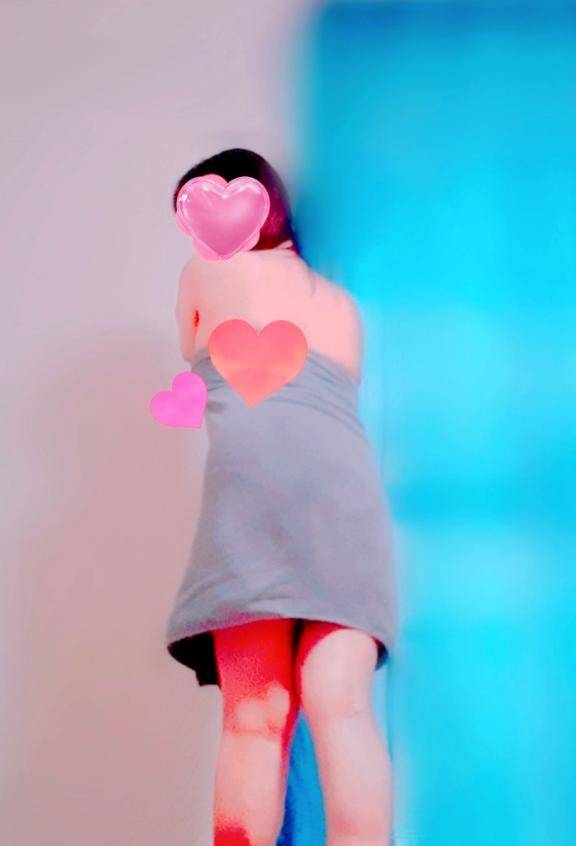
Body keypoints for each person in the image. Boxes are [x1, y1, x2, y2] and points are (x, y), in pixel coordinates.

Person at [165, 148, 397, 846]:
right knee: (343, 709)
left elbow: (191, 354)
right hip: (347, 501)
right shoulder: (341, 306)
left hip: (252, 501)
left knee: (254, 718)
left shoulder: (205, 271)